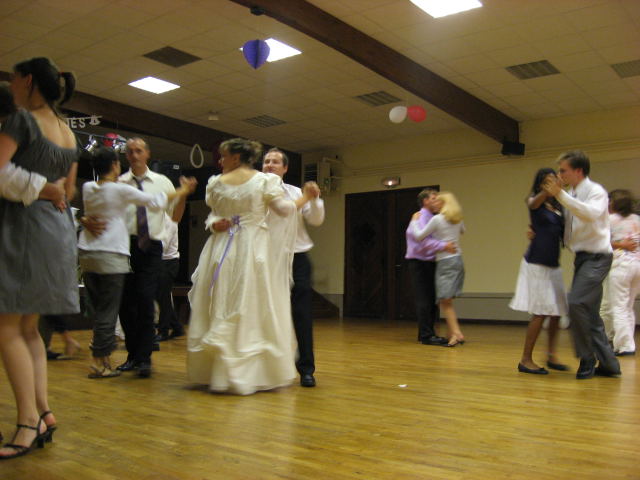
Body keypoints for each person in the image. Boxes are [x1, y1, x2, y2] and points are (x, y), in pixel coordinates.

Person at [0, 57, 78, 459]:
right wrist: (48, 188)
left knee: (6, 329)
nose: (11, 86)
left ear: (28, 80)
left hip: (23, 227)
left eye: (14, 79)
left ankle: (27, 422)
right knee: (29, 328)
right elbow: (68, 192)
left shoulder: (23, 121)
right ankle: (43, 412)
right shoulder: (67, 130)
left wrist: (37, 187)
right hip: (55, 229)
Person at [187, 138, 300, 395]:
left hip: (252, 248)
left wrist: (303, 199)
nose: (220, 160)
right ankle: (221, 369)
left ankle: (245, 369)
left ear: (236, 157)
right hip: (222, 248)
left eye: (223, 155)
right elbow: (214, 214)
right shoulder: (215, 182)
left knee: (249, 300)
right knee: (221, 297)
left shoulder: (263, 181)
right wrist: (213, 224)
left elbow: (283, 210)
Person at [79, 147, 195, 378]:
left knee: (144, 299)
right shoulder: (120, 183)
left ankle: (143, 358)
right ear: (118, 162)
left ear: (147, 154)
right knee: (123, 305)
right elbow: (152, 202)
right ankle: (130, 356)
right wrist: (83, 218)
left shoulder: (161, 181)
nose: (133, 155)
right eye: (129, 152)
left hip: (148, 245)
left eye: (138, 150)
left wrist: (181, 195)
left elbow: (174, 215)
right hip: (123, 246)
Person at [542, 150, 621, 379]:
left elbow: (589, 214)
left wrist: (560, 195)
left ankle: (587, 358)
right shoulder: (572, 193)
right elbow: (570, 224)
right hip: (583, 258)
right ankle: (609, 364)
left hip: (597, 258)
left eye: (563, 170)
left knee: (576, 302)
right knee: (590, 313)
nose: (560, 175)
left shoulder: (596, 191)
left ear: (578, 171)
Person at [262, 148, 324, 387]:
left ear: (285, 168)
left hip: (297, 256)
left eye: (275, 162)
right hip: (267, 257)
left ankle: (306, 368)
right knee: (268, 311)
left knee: (302, 313)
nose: (269, 165)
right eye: (266, 161)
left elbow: (316, 220)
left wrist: (315, 199)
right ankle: (268, 366)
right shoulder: (257, 192)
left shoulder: (296, 192)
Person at [510, 168, 569, 374]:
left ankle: (551, 355)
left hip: (553, 263)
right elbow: (533, 203)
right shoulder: (534, 201)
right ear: (540, 184)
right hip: (536, 263)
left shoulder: (558, 206)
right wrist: (548, 190)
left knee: (557, 312)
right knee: (541, 312)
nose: (551, 184)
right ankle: (525, 360)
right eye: (546, 181)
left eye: (553, 180)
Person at [411, 192, 466, 347]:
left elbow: (419, 236)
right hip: (458, 260)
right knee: (448, 300)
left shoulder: (437, 219)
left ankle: (457, 333)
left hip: (445, 262)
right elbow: (463, 230)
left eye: (437, 201)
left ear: (443, 204)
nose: (434, 203)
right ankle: (451, 334)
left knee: (444, 302)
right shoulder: (458, 219)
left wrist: (414, 221)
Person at [600, 189, 639, 356]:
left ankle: (624, 346)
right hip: (637, 264)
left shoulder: (610, 220)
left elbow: (602, 242)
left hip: (621, 265)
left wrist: (620, 245)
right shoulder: (636, 219)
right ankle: (628, 343)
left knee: (619, 307)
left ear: (614, 203)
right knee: (628, 307)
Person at [155, 213, 185, 342]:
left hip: (168, 262)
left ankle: (163, 331)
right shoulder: (156, 220)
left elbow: (163, 246)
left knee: (163, 297)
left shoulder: (169, 221)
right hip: (160, 262)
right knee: (161, 296)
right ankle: (177, 327)